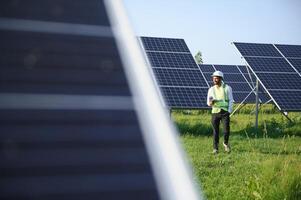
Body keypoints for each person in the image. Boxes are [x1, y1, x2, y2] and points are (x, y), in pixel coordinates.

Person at [207, 71, 234, 154]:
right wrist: (211, 102)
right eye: (214, 77)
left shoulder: (227, 88)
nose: (215, 79)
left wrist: (229, 111)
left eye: (217, 77)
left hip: (225, 112)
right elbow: (208, 102)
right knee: (215, 131)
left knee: (226, 130)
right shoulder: (211, 89)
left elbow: (231, 100)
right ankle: (215, 148)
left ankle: (225, 143)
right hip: (215, 112)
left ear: (221, 79)